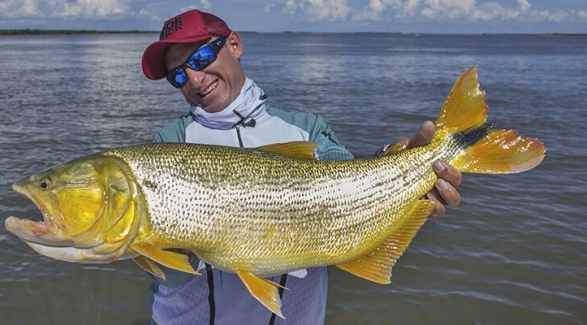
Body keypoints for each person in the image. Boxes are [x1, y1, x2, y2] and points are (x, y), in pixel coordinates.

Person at [140, 9, 462, 325]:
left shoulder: (306, 128)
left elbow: (346, 179)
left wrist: (405, 167)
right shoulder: (169, 143)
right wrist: (172, 253)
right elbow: (166, 274)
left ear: (234, 45)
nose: (194, 80)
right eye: (178, 75)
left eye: (199, 59)